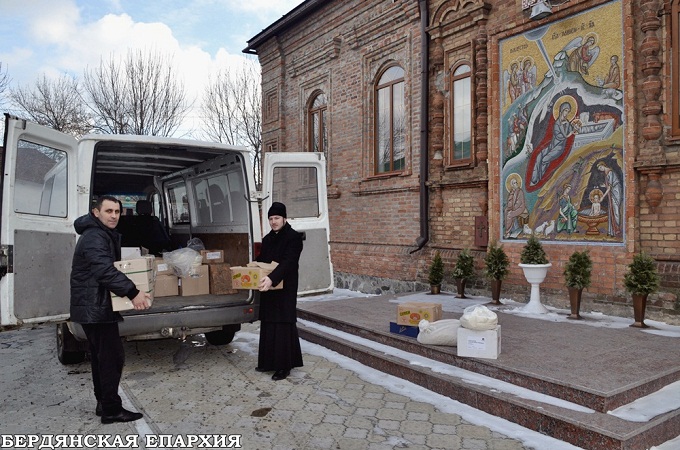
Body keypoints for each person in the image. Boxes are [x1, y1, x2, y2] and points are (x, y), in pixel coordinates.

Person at [70, 195, 151, 424]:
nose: (114, 216)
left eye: (117, 211)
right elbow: (104, 271)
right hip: (95, 306)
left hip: (94, 305)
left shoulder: (98, 233)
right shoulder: (95, 237)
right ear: (96, 213)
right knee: (112, 358)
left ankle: (103, 403)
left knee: (101, 357)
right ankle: (112, 410)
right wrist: (133, 293)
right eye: (109, 211)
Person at [255, 202, 304, 381]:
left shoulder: (293, 238)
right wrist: (252, 268)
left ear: (284, 218)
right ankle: (268, 362)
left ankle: (284, 366)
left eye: (276, 218)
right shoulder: (268, 239)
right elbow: (262, 260)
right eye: (270, 219)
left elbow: (288, 262)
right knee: (268, 324)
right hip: (269, 288)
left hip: (285, 288)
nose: (273, 222)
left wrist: (271, 278)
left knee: (283, 325)